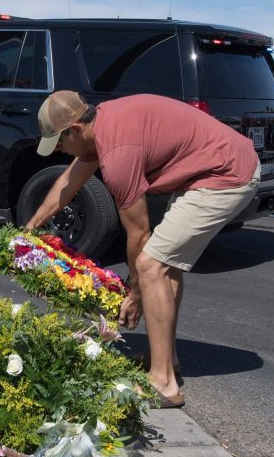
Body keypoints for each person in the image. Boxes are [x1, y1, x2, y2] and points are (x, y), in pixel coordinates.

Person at [24, 91, 260, 408]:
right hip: (210, 168)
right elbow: (70, 180)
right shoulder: (101, 124)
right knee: (165, 263)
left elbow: (138, 234)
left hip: (226, 175)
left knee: (150, 266)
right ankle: (166, 358)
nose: (62, 151)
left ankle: (163, 383)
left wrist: (135, 294)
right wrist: (32, 225)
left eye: (61, 143)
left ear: (76, 130)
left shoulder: (118, 154)